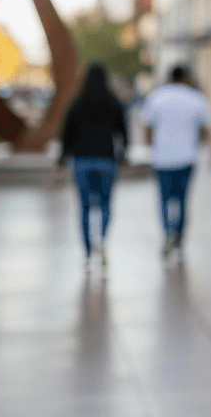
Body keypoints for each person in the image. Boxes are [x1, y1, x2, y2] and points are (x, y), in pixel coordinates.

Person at [59, 63, 128, 269]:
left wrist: (62, 158)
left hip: (82, 161)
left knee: (85, 206)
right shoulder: (113, 103)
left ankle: (88, 251)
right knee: (105, 204)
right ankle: (101, 239)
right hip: (106, 159)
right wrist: (124, 155)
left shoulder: (77, 103)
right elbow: (123, 132)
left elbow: (66, 134)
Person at [140, 65, 211, 261]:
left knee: (165, 199)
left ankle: (167, 233)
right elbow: (205, 131)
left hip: (162, 158)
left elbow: (146, 128)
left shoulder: (156, 97)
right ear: (186, 77)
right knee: (182, 200)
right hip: (187, 158)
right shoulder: (196, 98)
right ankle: (178, 240)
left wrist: (154, 144)